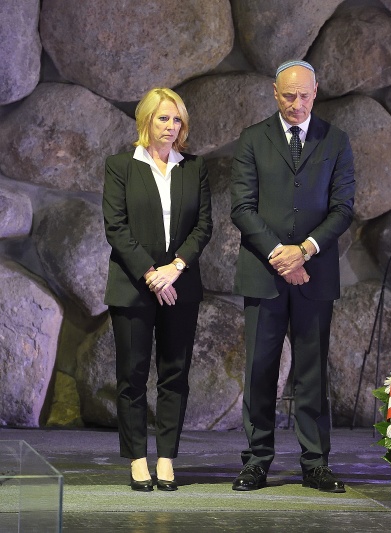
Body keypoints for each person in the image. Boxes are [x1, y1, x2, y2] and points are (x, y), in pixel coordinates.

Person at [229, 60, 355, 493]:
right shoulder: (251, 140)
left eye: (303, 95)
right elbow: (242, 207)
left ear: (316, 92)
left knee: (312, 373)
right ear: (274, 92)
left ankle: (315, 463)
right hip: (263, 275)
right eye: (288, 95)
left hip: (314, 275)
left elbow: (342, 209)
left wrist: (303, 251)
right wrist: (278, 254)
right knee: (260, 371)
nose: (296, 103)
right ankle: (256, 461)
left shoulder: (336, 141)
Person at [103, 87, 212, 492]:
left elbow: (204, 226)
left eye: (177, 119)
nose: (171, 126)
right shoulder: (120, 166)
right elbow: (116, 226)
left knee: (174, 374)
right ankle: (137, 459)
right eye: (163, 118)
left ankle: (166, 458)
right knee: (131, 376)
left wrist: (174, 269)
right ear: (145, 120)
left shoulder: (194, 167)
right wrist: (152, 274)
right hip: (133, 286)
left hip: (180, 285)